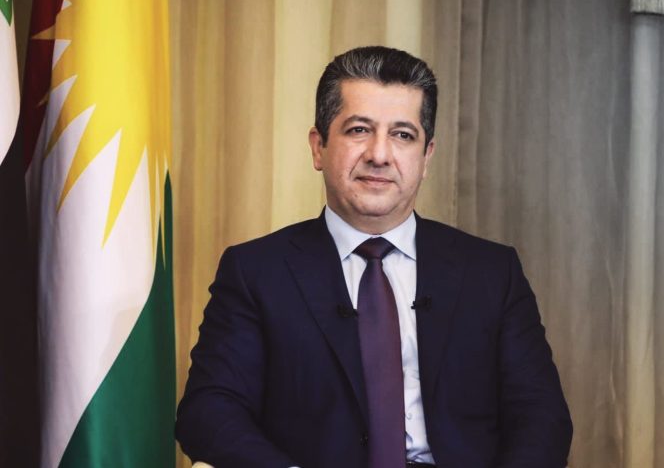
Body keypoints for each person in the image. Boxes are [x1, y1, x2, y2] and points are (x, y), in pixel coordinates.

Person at [176, 46, 572, 468]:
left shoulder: (491, 272)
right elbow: (208, 411)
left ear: (426, 156)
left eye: (403, 135)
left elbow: (542, 417)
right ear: (318, 147)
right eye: (359, 130)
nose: (379, 155)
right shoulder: (256, 272)